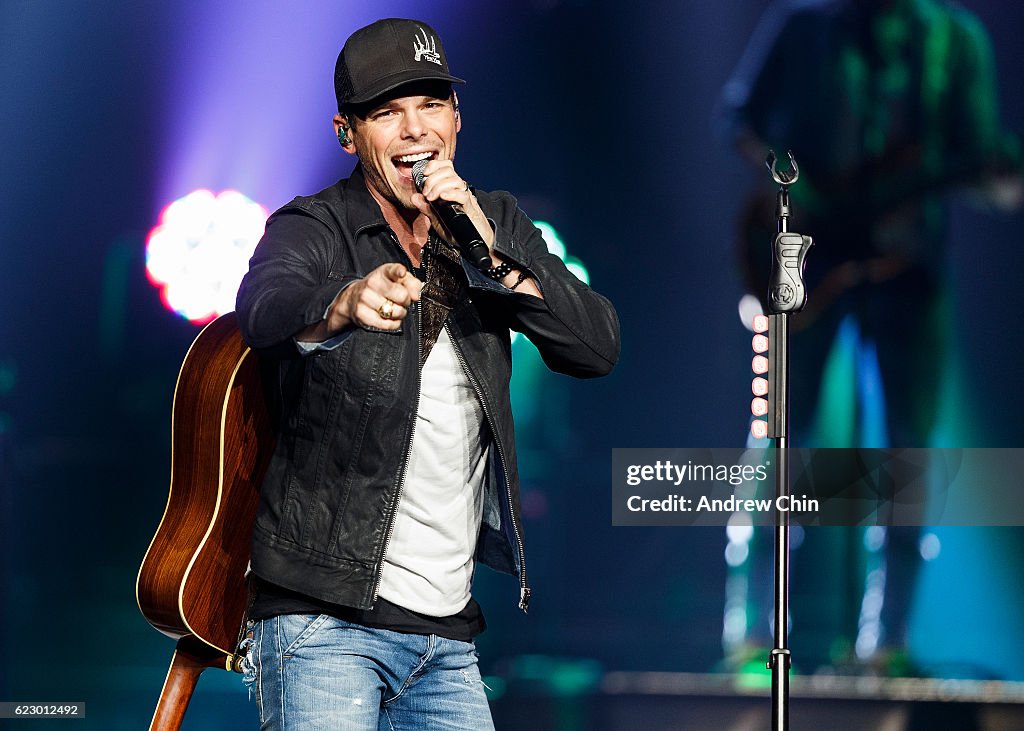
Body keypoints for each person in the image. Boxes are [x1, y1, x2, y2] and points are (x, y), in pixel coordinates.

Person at [233, 17, 619, 730]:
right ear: (348, 134)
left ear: (457, 118)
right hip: (325, 622)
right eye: (387, 112)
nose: (415, 130)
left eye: (431, 104)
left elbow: (593, 346)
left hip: (445, 637)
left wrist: (481, 236)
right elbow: (263, 306)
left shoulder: (494, 222)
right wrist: (342, 303)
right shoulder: (315, 225)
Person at [718, 0, 1021, 674]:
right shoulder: (804, 26)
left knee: (906, 454)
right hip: (807, 257)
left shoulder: (953, 41)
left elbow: (978, 157)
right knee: (779, 441)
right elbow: (738, 117)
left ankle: (885, 645)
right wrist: (795, 187)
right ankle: (753, 633)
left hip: (905, 267)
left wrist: (987, 176)